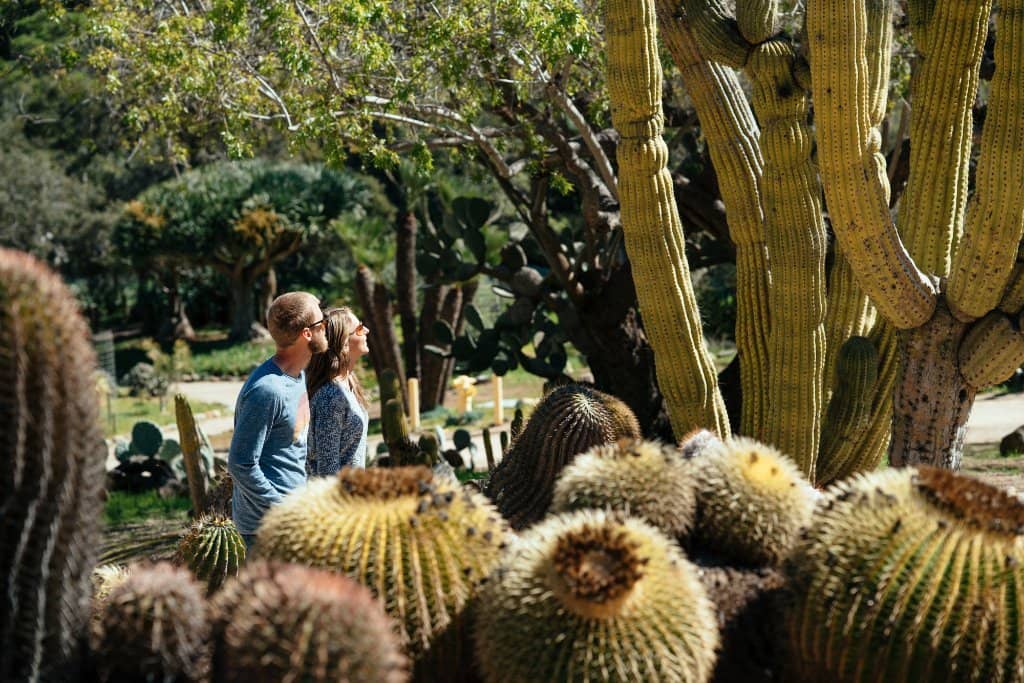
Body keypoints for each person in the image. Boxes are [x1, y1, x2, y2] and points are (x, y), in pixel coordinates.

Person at [228, 291, 328, 551]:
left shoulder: (297, 376)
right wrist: (282, 508)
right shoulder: (267, 390)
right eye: (322, 322)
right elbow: (241, 463)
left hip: (289, 523)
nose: (326, 326)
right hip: (264, 531)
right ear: (307, 334)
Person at [305, 306, 370, 476]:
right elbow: (328, 471)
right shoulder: (331, 397)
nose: (367, 331)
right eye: (360, 328)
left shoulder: (349, 382)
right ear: (344, 343)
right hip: (337, 499)